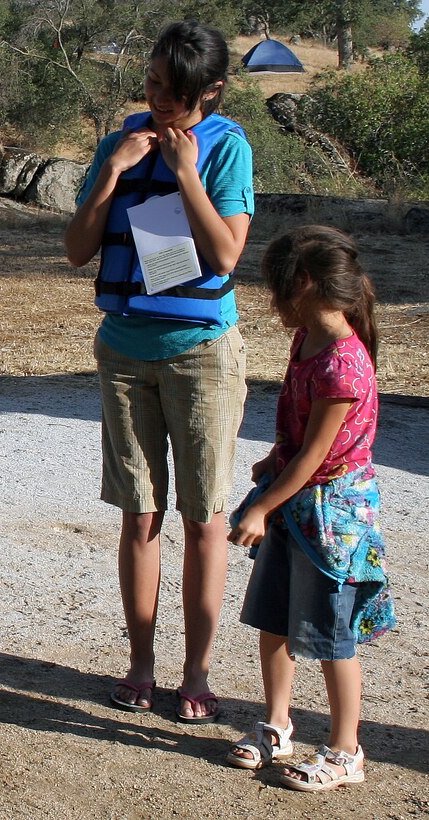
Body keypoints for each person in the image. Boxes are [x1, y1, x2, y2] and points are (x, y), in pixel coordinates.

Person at [63, 21, 253, 721]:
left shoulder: (226, 147)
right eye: (149, 86)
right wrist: (112, 171)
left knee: (202, 518)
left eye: (171, 93)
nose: (156, 101)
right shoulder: (119, 140)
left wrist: (183, 171)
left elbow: (226, 256)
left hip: (200, 349)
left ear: (209, 91)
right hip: (122, 351)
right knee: (138, 515)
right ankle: (139, 665)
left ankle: (195, 673)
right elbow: (78, 249)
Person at [225, 225, 393, 791]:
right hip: (296, 507)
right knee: (274, 619)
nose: (270, 303)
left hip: (330, 519)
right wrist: (272, 460)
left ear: (303, 285)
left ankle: (347, 750)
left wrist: (260, 507)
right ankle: (275, 723)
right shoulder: (307, 342)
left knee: (327, 633)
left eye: (275, 289)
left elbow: (317, 458)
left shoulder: (343, 365)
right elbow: (298, 443)